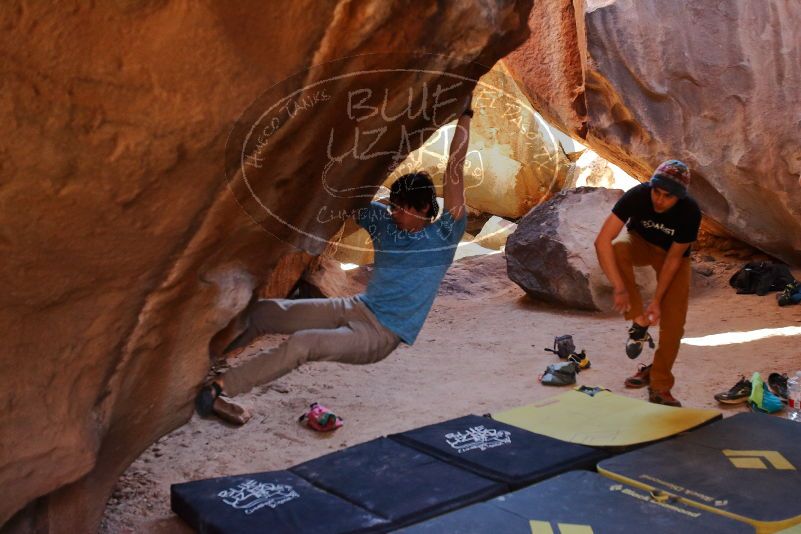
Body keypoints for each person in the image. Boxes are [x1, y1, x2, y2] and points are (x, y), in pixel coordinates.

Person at [196, 94, 474, 423]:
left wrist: (465, 114)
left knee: (303, 344)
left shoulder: (443, 236)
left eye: (402, 208)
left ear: (425, 209)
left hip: (380, 334)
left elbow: (455, 170)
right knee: (264, 313)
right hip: (358, 307)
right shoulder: (383, 221)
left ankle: (220, 387)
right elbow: (346, 193)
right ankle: (201, 367)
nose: (394, 212)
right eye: (393, 205)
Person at [594, 160, 701, 407]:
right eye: (656, 192)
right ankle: (638, 321)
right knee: (619, 246)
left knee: (674, 324)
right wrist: (619, 287)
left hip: (672, 258)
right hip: (639, 243)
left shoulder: (690, 212)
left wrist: (656, 301)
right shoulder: (638, 195)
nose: (659, 200)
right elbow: (602, 241)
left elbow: (674, 260)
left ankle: (659, 383)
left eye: (667, 196)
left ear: (679, 197)